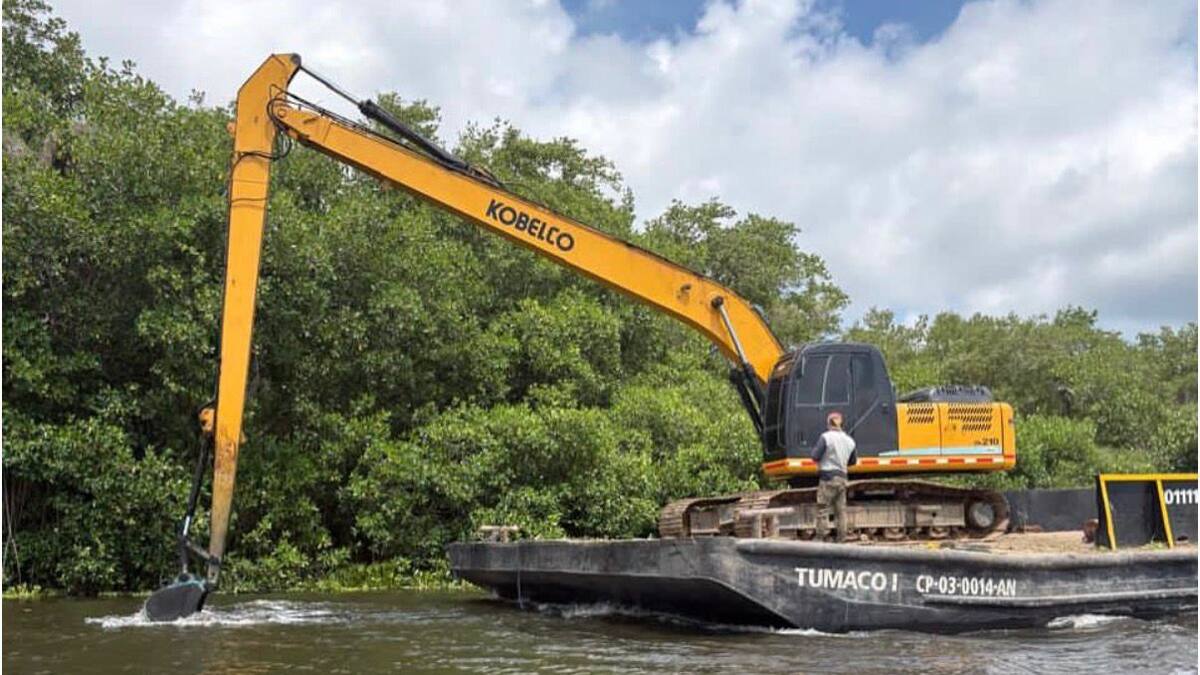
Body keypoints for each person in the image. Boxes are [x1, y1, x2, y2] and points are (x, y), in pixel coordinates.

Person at [811, 411, 857, 542]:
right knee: (841, 511)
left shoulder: (826, 437)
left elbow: (815, 456)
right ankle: (841, 538)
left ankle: (820, 537)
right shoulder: (850, 441)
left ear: (829, 423)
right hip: (842, 479)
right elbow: (853, 461)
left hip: (827, 479)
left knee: (822, 509)